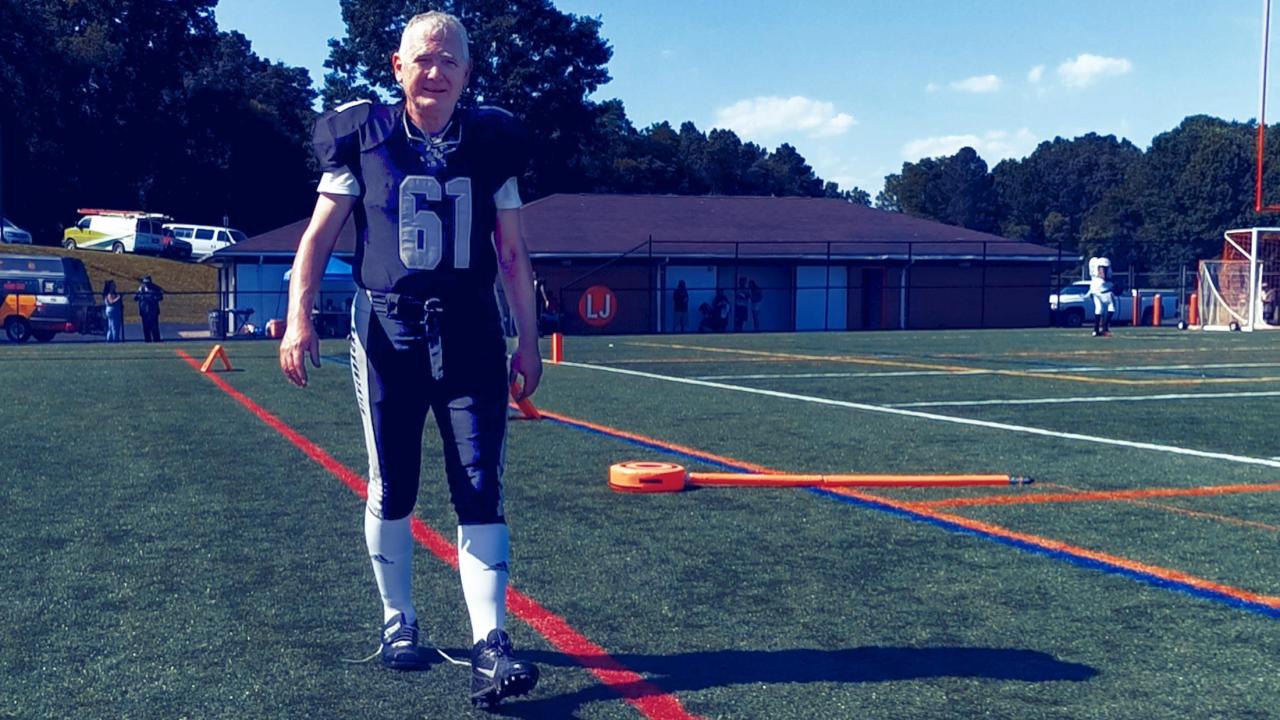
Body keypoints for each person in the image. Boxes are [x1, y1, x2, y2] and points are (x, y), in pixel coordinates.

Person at [277, 11, 540, 709]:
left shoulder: (492, 142)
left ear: (467, 73)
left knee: (480, 480)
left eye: (449, 60)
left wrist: (530, 340)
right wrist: (299, 317)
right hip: (388, 334)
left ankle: (491, 644)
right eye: (422, 59)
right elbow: (318, 239)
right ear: (397, 69)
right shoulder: (363, 136)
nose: (435, 70)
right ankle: (399, 621)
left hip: (473, 334)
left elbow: (512, 253)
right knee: (393, 482)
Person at [1086, 256, 1114, 337]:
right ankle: (1104, 328)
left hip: (1094, 288)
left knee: (1099, 309)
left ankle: (1096, 330)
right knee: (1111, 306)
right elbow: (1103, 275)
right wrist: (1111, 283)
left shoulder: (1093, 263)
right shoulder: (1102, 263)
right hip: (1103, 288)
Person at [134, 275, 164, 342]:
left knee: (154, 326)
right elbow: (135, 298)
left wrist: (154, 298)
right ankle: (147, 339)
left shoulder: (155, 288)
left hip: (153, 311)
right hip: (144, 311)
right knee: (146, 327)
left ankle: (156, 339)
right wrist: (141, 297)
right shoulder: (141, 288)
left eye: (148, 283)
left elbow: (161, 296)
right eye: (145, 283)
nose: (147, 285)